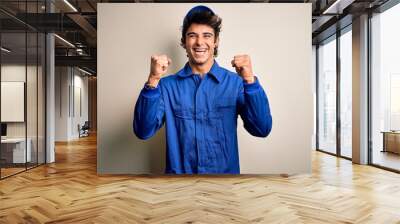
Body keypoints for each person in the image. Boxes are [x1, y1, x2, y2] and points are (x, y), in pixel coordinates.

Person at [133, 5, 272, 174]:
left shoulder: (236, 84)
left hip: (223, 186)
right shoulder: (166, 86)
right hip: (179, 188)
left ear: (216, 41)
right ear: (184, 42)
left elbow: (262, 128)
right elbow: (142, 131)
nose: (199, 42)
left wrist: (250, 81)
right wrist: (153, 79)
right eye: (192, 36)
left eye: (207, 35)